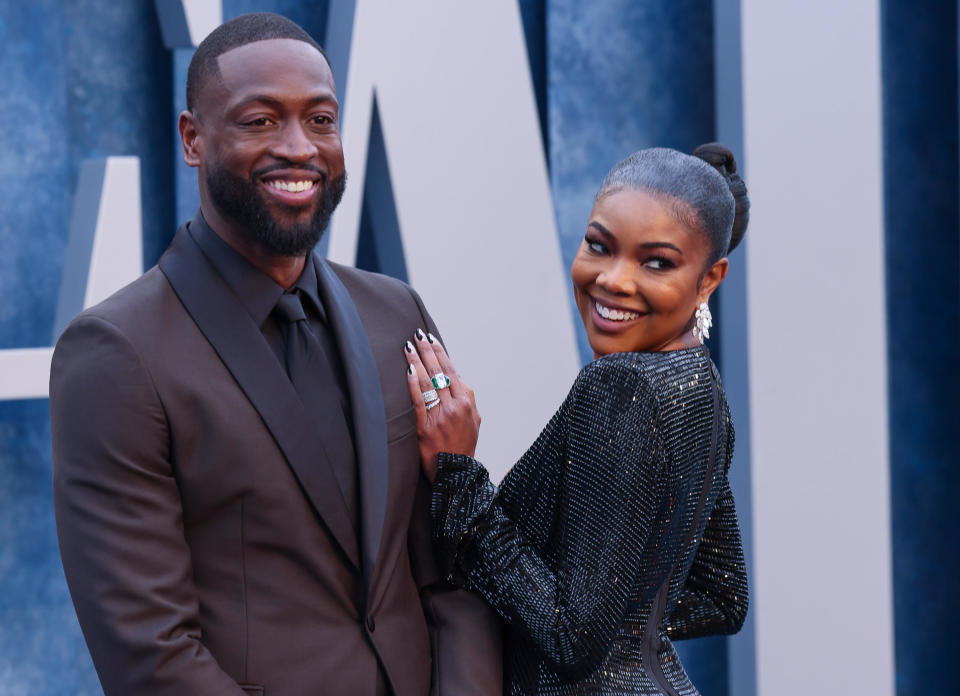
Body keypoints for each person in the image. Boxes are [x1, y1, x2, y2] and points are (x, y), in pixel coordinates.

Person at [49, 13, 501, 696]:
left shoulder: (395, 314)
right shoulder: (116, 354)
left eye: (321, 120)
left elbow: (453, 570)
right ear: (193, 139)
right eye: (260, 121)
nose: (300, 148)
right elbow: (152, 654)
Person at [403, 144, 750, 694]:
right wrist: (624, 623)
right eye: (599, 246)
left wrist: (458, 473)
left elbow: (571, 638)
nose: (613, 280)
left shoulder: (621, 387)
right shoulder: (703, 390)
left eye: (656, 262)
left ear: (710, 279)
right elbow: (721, 597)